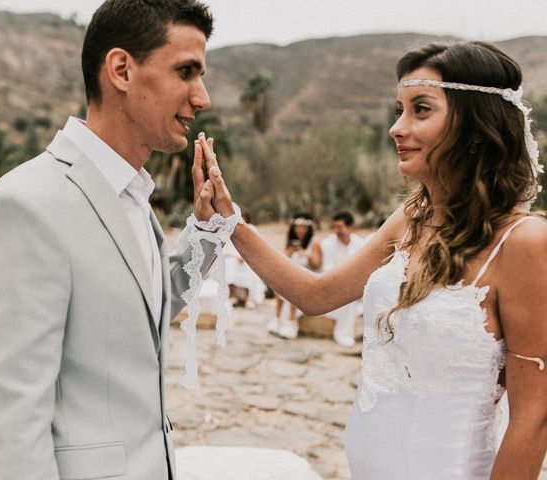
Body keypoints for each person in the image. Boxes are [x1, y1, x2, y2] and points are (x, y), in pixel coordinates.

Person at [198, 41, 547, 479]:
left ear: (475, 126)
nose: (396, 128)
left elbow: (533, 419)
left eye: (421, 110)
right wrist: (233, 223)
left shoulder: (524, 242)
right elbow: (316, 294)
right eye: (399, 110)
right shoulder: (411, 218)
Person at [0, 1, 219, 479]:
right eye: (186, 72)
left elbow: (144, 313)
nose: (202, 97)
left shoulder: (135, 199)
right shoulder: (26, 204)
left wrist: (204, 233)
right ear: (121, 69)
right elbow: (13, 421)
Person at [268, 213, 322, 339]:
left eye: (303, 227)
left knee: (293, 285)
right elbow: (281, 262)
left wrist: (305, 254)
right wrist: (289, 251)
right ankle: (277, 318)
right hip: (291, 275)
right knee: (278, 282)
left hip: (308, 277)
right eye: (297, 227)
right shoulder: (290, 241)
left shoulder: (314, 241)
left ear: (309, 228)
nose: (300, 230)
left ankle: (292, 322)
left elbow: (317, 265)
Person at [320, 211, 365, 346]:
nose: (337, 231)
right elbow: (326, 269)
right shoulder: (327, 244)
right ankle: (343, 334)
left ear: (351, 227)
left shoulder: (361, 244)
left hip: (358, 286)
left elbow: (363, 268)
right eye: (335, 227)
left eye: (340, 227)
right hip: (334, 285)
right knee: (348, 297)